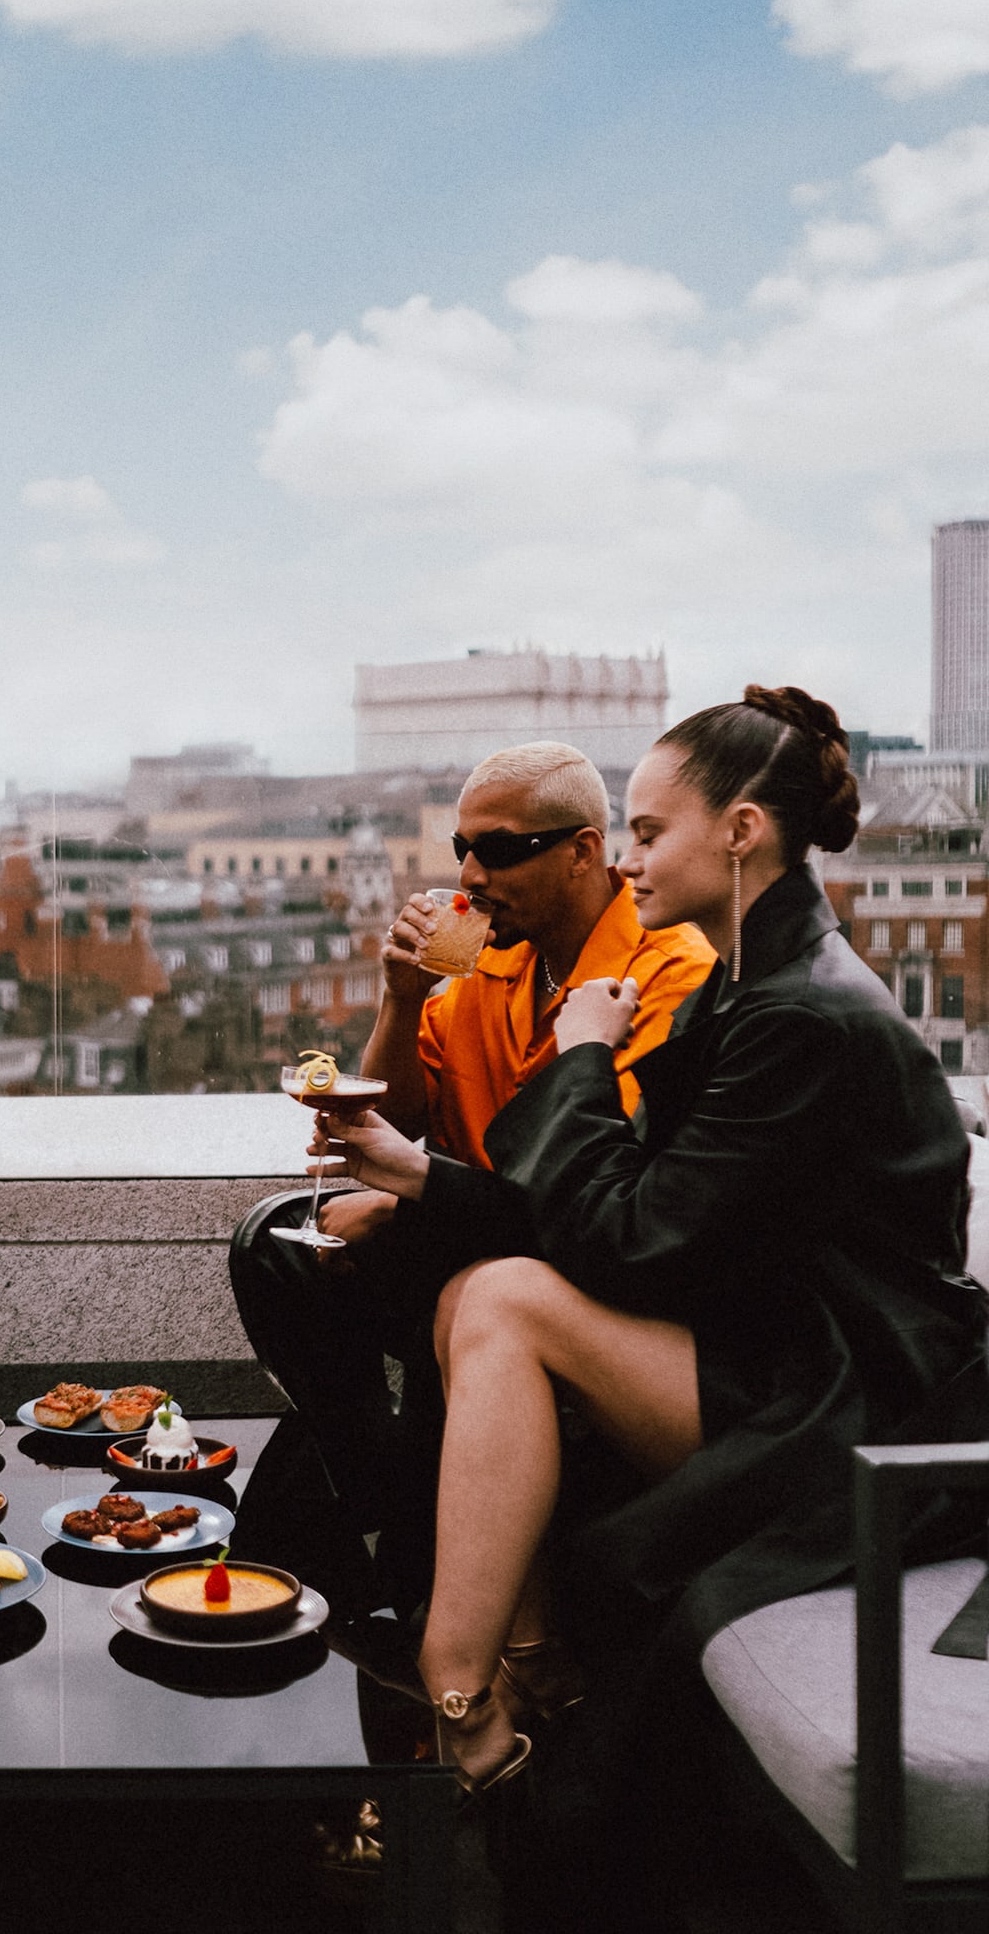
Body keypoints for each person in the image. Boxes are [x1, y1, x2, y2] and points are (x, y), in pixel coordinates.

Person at [325, 689, 989, 1907]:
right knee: (480, 1293)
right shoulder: (763, 976)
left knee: (501, 1304)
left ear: (739, 831)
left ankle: (460, 1693)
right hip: (794, 1345)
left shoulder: (792, 1011)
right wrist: (420, 1174)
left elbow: (630, 1234)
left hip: (863, 1395)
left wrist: (580, 1052)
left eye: (646, 828)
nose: (628, 856)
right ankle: (510, 1675)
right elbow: (628, 1205)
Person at [227, 743, 713, 1619]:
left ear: (583, 852)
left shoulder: (665, 968)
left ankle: (394, 1533)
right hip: (478, 1218)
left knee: (389, 1269)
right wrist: (400, 998)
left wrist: (414, 1195)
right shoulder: (482, 949)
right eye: (461, 848)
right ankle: (383, 1495)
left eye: (499, 849)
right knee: (277, 1242)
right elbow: (401, 1118)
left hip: (582, 1255)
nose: (471, 874)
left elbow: (605, 1192)